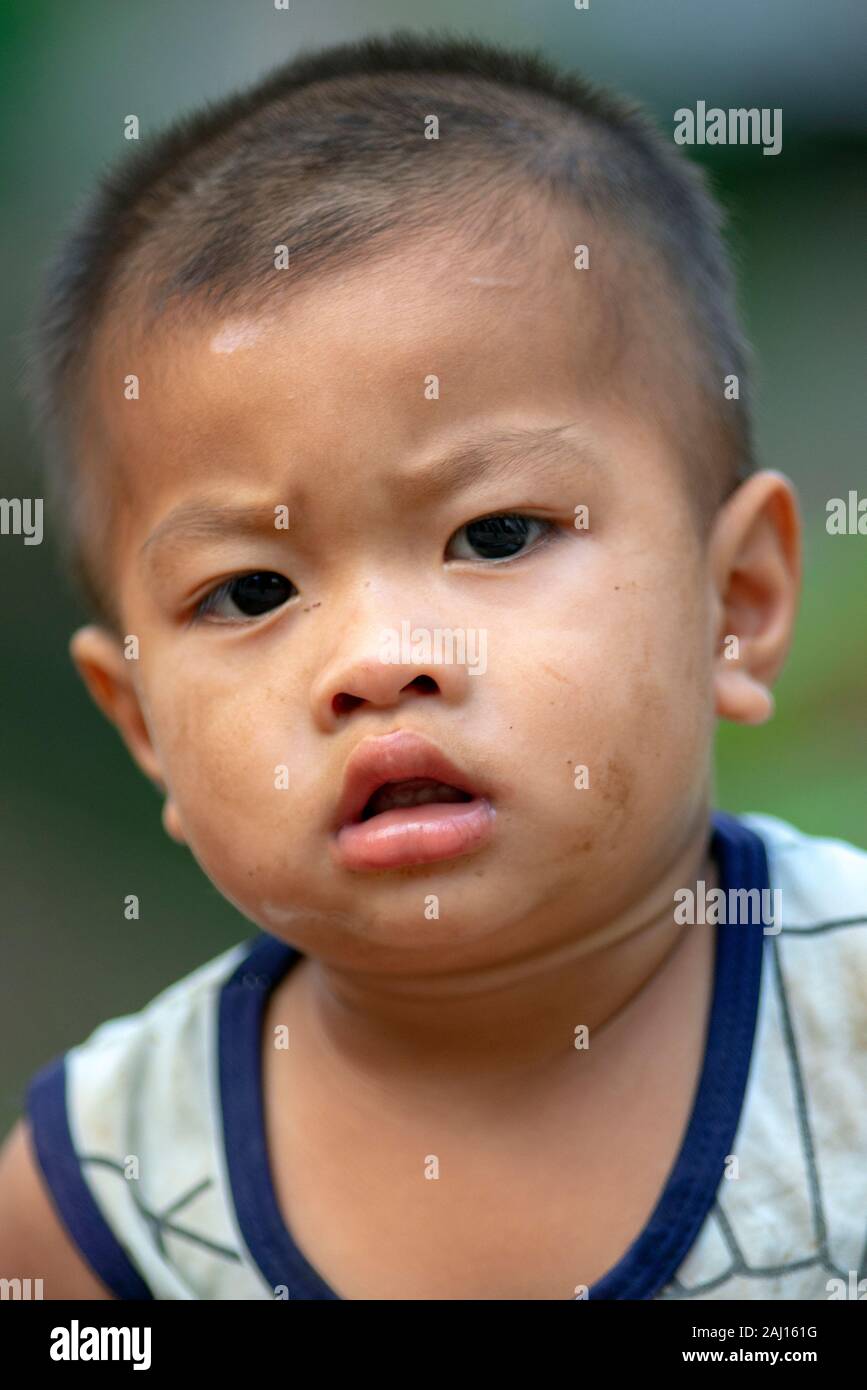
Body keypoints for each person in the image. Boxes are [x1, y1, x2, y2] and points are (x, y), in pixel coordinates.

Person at [1, 30, 864, 1300]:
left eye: (497, 533)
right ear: (141, 727)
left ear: (734, 603)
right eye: (251, 590)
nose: (378, 662)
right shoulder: (100, 1197)